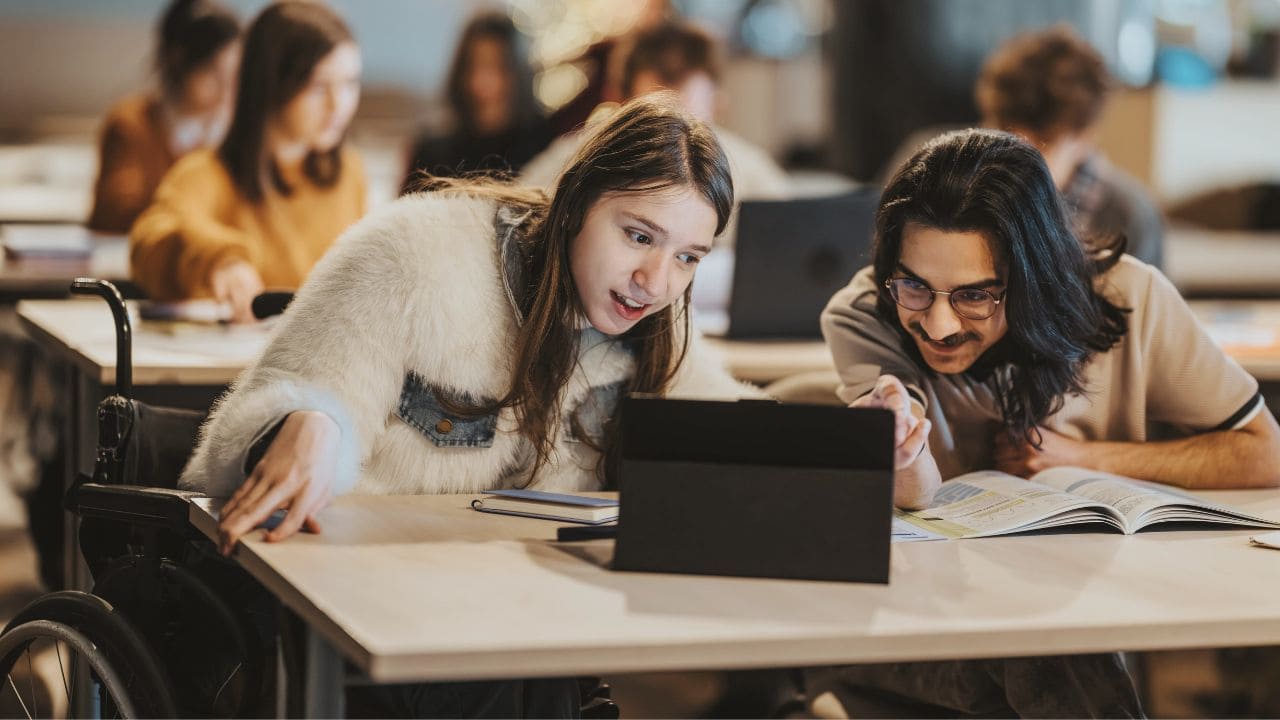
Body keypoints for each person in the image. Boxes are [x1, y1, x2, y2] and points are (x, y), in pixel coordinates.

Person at [176, 93, 756, 717]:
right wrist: (307, 421)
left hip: (499, 621)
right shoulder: (417, 256)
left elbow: (735, 428)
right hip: (341, 611)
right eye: (639, 236)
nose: (657, 280)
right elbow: (260, 421)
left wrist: (858, 437)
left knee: (542, 676)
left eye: (688, 257)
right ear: (576, 205)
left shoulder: (651, 328)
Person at [809, 128, 1280, 717]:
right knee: (1046, 647)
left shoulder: (1131, 297)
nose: (938, 324)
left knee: (1051, 637)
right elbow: (918, 491)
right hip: (919, 617)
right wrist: (899, 446)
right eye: (915, 287)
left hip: (1083, 605)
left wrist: (1085, 458)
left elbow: (1266, 453)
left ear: (1033, 278)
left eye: (976, 295)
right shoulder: (865, 315)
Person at [130, 0, 366, 323]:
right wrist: (220, 260)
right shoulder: (206, 174)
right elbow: (149, 242)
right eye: (318, 86)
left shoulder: (349, 174)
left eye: (350, 83)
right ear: (271, 85)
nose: (338, 104)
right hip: (233, 369)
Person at [521, 20, 790, 225]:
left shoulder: (753, 174)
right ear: (619, 103)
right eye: (656, 124)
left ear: (718, 104)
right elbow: (514, 218)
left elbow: (794, 241)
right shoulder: (571, 162)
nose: (676, 140)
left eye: (691, 122)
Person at [976, 24, 1165, 268]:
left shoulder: (1130, 217)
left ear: (1085, 137)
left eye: (1042, 146)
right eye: (1007, 139)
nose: (1016, 161)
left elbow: (1143, 304)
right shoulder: (953, 184)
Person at [87, 0, 240, 233]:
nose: (225, 88)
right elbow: (116, 211)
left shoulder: (234, 129)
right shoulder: (132, 124)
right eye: (212, 72)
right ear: (178, 61)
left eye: (233, 74)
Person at [400, 12, 552, 191]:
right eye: (474, 65)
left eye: (496, 66)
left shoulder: (543, 142)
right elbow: (405, 214)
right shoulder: (432, 151)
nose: (482, 79)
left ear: (517, 70)